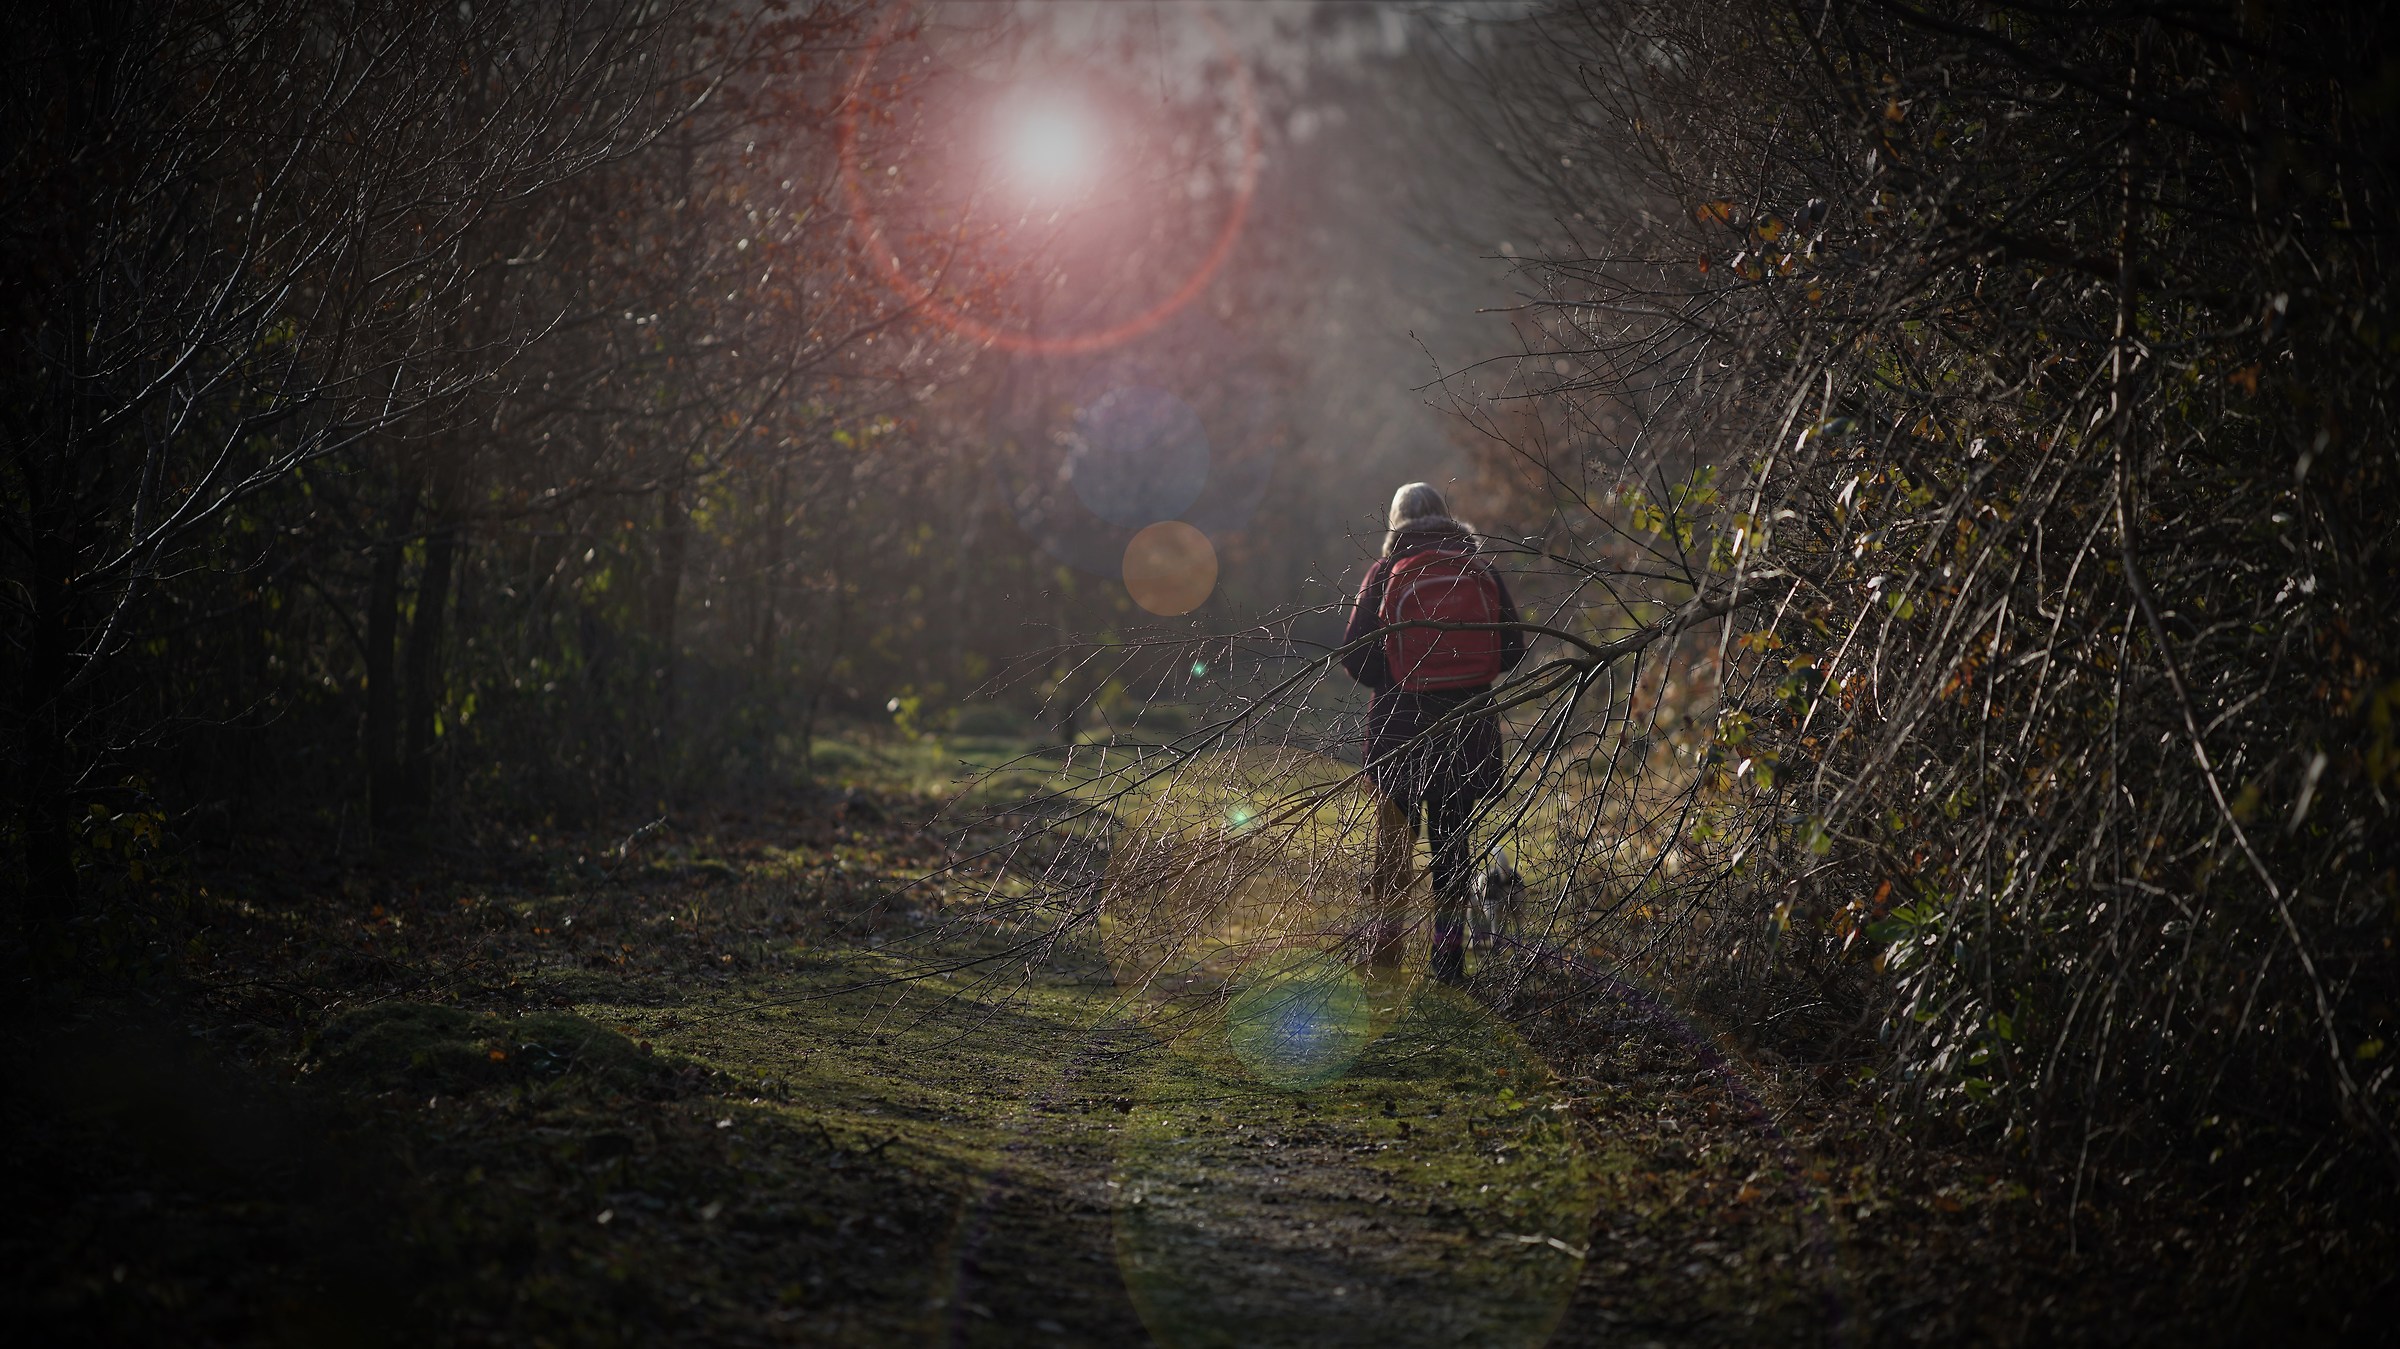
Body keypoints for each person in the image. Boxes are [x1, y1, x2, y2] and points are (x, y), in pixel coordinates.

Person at [1340, 482, 1526, 983]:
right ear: (1448, 517)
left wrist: (1401, 675)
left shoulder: (1384, 573)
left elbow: (1355, 656)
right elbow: (1513, 650)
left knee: (1393, 852)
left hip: (1400, 730)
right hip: (1467, 731)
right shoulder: (1479, 569)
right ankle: (1446, 963)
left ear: (1395, 524)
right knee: (1452, 849)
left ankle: (1384, 960)